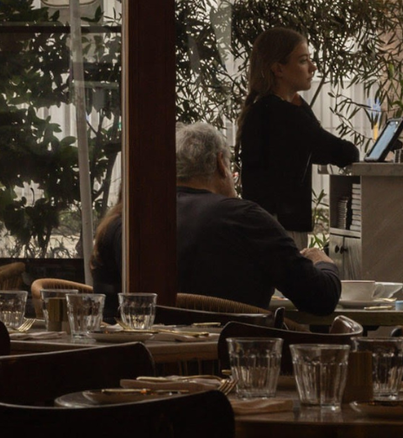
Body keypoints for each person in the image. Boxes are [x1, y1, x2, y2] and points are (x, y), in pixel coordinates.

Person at [88, 123, 341, 315]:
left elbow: (106, 311)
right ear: (221, 164)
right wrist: (323, 262)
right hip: (231, 365)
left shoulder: (126, 219)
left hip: (147, 367)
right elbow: (320, 298)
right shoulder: (244, 218)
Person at [235, 26, 360, 241]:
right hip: (281, 227)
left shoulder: (264, 108)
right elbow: (345, 153)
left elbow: (316, 147)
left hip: (267, 224)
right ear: (278, 69)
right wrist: (299, 106)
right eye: (303, 61)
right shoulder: (282, 114)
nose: (312, 67)